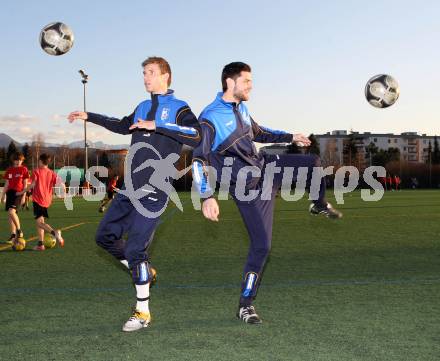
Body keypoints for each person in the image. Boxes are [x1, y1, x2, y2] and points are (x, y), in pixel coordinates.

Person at [192, 62, 342, 325]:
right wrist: (206, 196)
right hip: (247, 189)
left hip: (266, 168)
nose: (251, 85)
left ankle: (318, 204)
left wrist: (290, 137)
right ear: (230, 82)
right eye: (246, 81)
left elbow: (259, 132)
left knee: (313, 163)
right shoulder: (210, 117)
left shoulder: (242, 108)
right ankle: (245, 305)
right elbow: (198, 159)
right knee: (262, 246)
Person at [67, 56, 201, 332]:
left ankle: (142, 312)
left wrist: (158, 126)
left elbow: (195, 135)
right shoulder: (142, 105)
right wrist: (89, 116)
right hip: (130, 187)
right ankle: (143, 271)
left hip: (155, 189)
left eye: (150, 72)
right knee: (104, 237)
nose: (145, 78)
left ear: (166, 76)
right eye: (143, 73)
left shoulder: (179, 108)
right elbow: (121, 125)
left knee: (136, 248)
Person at [17, 154, 65, 251]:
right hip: (47, 200)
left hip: (38, 200)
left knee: (39, 223)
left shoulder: (37, 171)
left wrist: (22, 192)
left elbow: (32, 184)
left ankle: (55, 233)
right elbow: (61, 184)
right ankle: (40, 244)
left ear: (40, 161)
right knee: (40, 222)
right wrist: (63, 192)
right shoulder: (51, 172)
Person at [0, 153, 29, 244]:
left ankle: (19, 231)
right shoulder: (9, 170)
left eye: (20, 160)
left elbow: (25, 184)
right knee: (10, 215)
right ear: (13, 160)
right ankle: (13, 235)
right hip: (10, 193)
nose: (18, 161)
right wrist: (3, 195)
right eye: (16, 160)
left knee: (11, 211)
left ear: (22, 160)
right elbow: (7, 184)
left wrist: (24, 196)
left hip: (18, 193)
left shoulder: (24, 169)